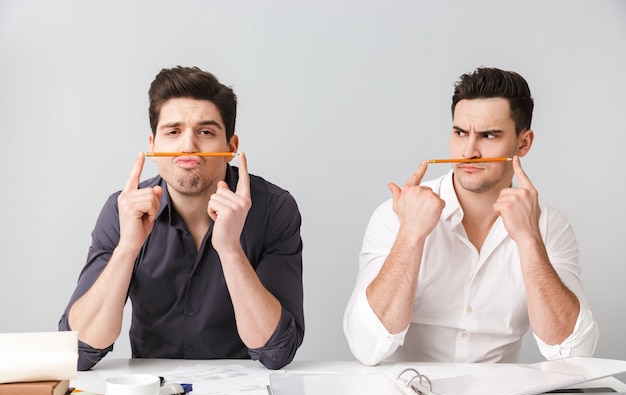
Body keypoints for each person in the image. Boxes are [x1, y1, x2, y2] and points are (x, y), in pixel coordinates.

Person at [343, 67, 598, 367]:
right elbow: (366, 346)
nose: (468, 151)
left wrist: (529, 239)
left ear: (523, 143)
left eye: (489, 135)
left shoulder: (549, 225)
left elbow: (573, 352)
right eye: (460, 132)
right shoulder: (397, 213)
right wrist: (411, 235)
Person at [59, 66, 304, 371]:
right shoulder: (121, 210)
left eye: (206, 132)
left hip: (245, 393)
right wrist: (127, 249)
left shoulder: (273, 208)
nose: (188, 146)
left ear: (230, 148)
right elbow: (80, 352)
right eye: (173, 132)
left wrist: (229, 249)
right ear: (154, 146)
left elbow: (276, 353)